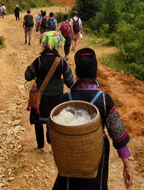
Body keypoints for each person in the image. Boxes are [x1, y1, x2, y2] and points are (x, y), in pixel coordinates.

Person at [52, 48, 133, 189]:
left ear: (76, 72)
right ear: (96, 71)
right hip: (97, 152)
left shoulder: (66, 100)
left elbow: (51, 134)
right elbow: (117, 133)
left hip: (70, 153)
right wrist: (127, 166)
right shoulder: (104, 99)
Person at [24, 31, 74, 149]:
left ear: (44, 44)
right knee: (54, 119)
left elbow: (27, 76)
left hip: (40, 97)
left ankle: (40, 144)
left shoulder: (39, 61)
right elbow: (70, 81)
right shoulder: (61, 62)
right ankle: (53, 142)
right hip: (56, 97)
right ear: (56, 45)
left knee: (38, 121)